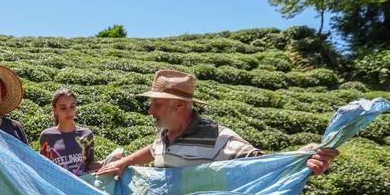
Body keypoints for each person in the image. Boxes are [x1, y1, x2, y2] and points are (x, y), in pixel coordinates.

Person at [96, 69, 339, 179]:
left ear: (179, 106)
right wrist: (123, 163)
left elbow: (260, 164)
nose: (150, 110)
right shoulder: (165, 133)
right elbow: (153, 151)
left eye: (157, 104)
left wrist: (301, 158)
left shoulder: (216, 137)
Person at [39, 86, 99, 175]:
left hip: (80, 186)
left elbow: (89, 165)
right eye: (63, 108)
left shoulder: (86, 135)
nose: (69, 112)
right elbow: (43, 166)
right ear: (55, 110)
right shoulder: (47, 136)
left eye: (72, 106)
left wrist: (109, 163)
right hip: (56, 186)